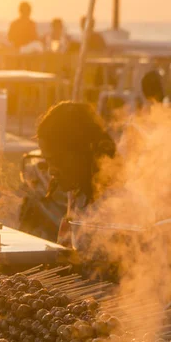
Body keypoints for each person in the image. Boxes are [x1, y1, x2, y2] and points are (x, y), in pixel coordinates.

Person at [37, 101, 117, 246]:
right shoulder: (78, 191)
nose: (50, 170)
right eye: (47, 161)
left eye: (56, 160)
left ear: (81, 153)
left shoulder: (115, 205)